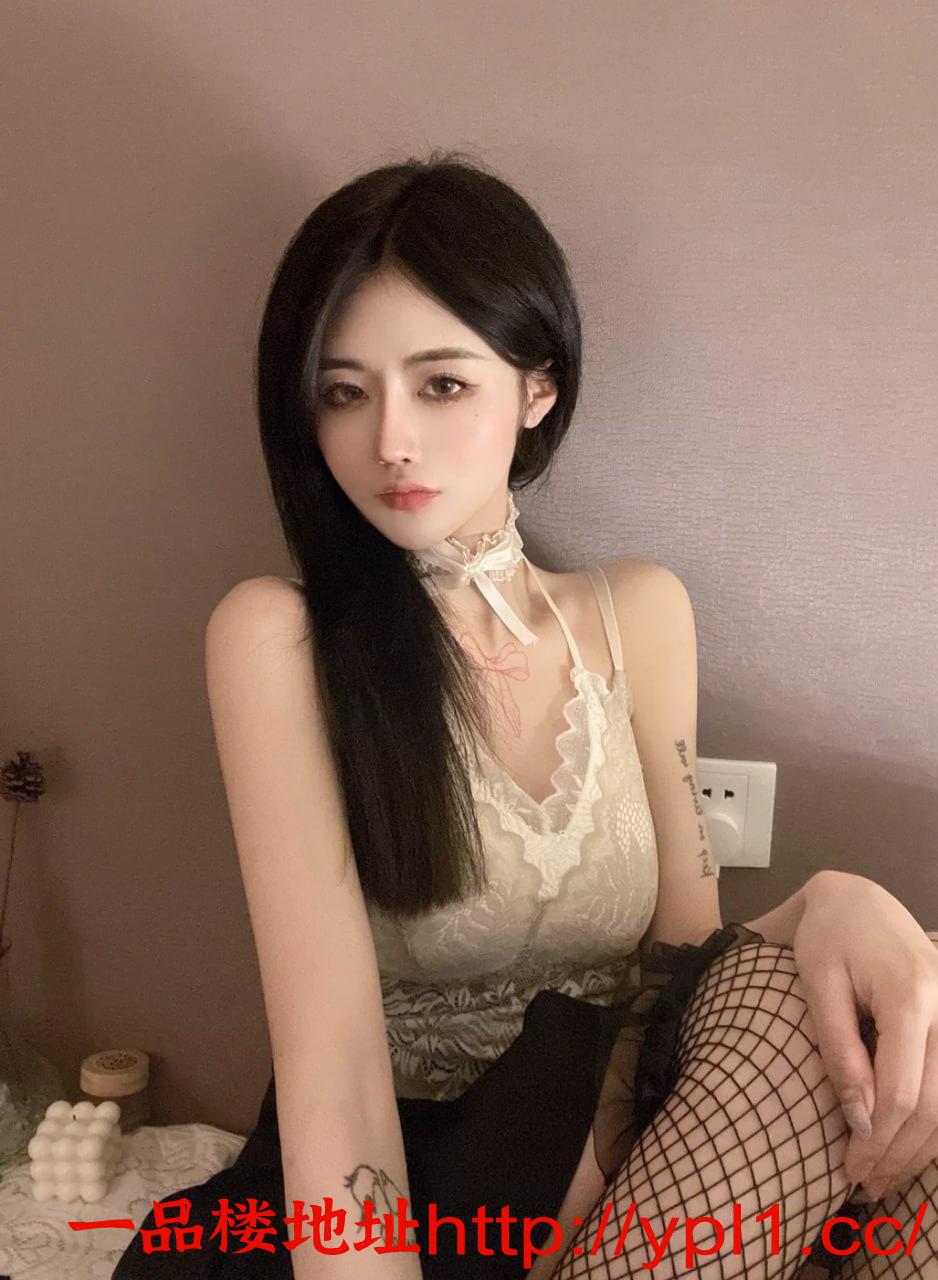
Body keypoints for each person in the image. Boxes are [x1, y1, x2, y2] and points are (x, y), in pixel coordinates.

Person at [112, 150, 938, 1280]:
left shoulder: (639, 612)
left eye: (441, 385)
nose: (390, 440)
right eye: (344, 392)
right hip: (420, 1175)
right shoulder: (277, 638)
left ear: (535, 388)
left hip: (615, 1137)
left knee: (897, 1009)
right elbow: (332, 1068)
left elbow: (687, 971)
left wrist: (836, 899)